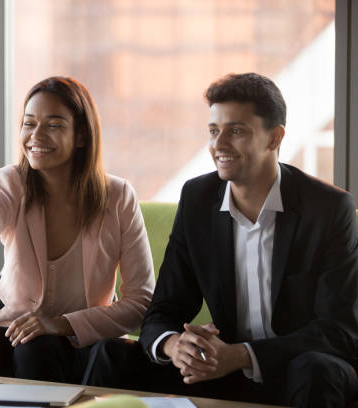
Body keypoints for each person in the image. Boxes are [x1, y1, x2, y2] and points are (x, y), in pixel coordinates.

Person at [84, 73, 358, 407]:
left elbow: (338, 331)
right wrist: (175, 345)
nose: (219, 144)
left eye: (236, 131)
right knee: (109, 354)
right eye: (214, 131)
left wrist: (242, 355)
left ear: (275, 138)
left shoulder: (327, 209)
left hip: (293, 372)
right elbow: (164, 310)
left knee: (319, 369)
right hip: (218, 371)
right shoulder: (198, 199)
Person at [0, 76, 156, 384]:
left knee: (38, 350)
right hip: (10, 325)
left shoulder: (118, 197)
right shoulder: (9, 184)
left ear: (82, 136)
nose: (36, 135)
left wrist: (61, 324)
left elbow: (141, 300)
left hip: (80, 336)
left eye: (54, 125)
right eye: (29, 123)